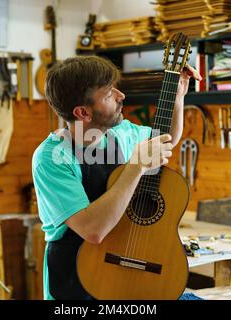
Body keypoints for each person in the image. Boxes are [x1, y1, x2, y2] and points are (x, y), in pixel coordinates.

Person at [32, 55, 201, 300]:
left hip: (125, 273)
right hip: (76, 287)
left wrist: (176, 98)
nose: (121, 96)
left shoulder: (121, 133)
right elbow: (93, 230)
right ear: (83, 112)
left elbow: (165, 140)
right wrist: (136, 166)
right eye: (109, 94)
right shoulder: (52, 158)